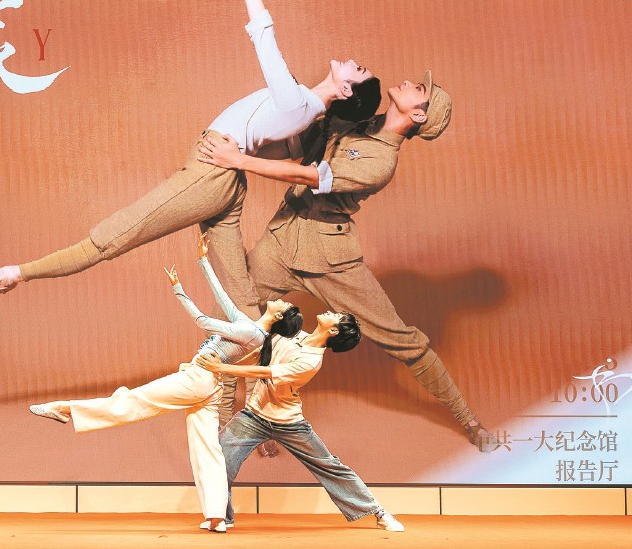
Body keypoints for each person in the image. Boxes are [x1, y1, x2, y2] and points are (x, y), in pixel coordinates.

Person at [0, 0, 381, 315]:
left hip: (212, 174)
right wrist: (241, 158)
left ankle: (14, 274)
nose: (353, 62)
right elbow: (281, 154)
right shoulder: (304, 110)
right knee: (242, 300)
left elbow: (262, 33)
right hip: (226, 181)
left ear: (346, 91)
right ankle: (263, 370)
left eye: (357, 70)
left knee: (111, 238)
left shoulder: (298, 103)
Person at [197, 72, 498, 451]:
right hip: (283, 238)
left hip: (331, 260)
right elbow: (299, 145)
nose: (410, 82)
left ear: (419, 115)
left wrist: (237, 160)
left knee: (403, 341)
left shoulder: (381, 162)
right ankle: (237, 420)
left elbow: (307, 175)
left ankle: (469, 421)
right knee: (230, 318)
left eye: (419, 89)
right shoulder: (358, 117)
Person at [28, 234, 303, 533]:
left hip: (198, 378)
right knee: (207, 448)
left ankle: (67, 409)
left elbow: (202, 321)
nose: (280, 298)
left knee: (135, 400)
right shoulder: (251, 327)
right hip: (208, 384)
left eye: (283, 303)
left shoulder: (253, 334)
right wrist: (202, 261)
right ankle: (216, 517)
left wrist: (178, 290)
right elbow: (223, 297)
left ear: (279, 315)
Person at [195, 311, 405, 532]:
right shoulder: (292, 334)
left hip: (289, 423)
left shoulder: (311, 361)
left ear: (333, 330)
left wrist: (222, 368)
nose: (330, 311)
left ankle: (379, 513)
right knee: (219, 459)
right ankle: (221, 517)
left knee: (330, 466)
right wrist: (223, 362)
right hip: (254, 415)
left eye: (335, 315)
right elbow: (260, 357)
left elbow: (266, 372)